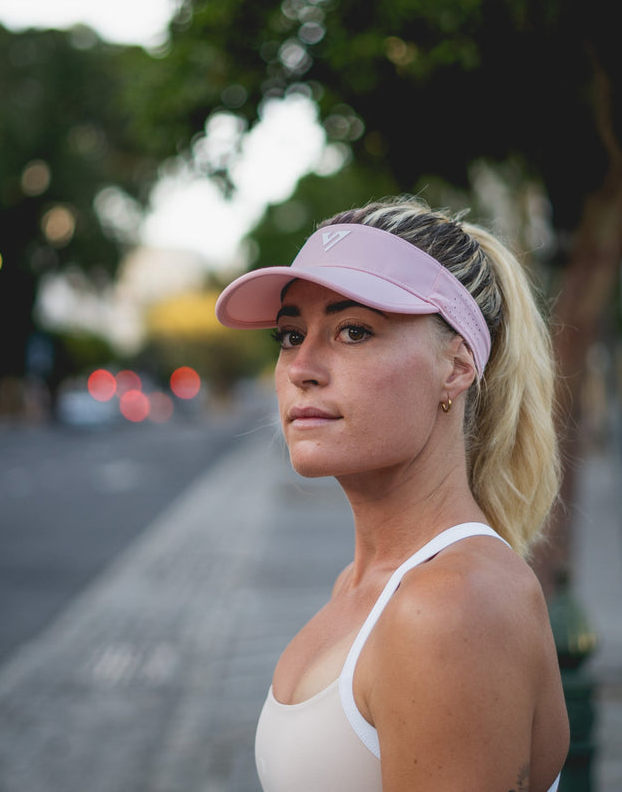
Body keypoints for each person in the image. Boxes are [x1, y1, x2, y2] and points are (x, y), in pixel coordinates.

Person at [216, 196, 569, 792]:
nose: (302, 365)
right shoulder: (366, 585)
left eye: (353, 331)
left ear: (456, 366)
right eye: (289, 334)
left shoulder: (453, 606)